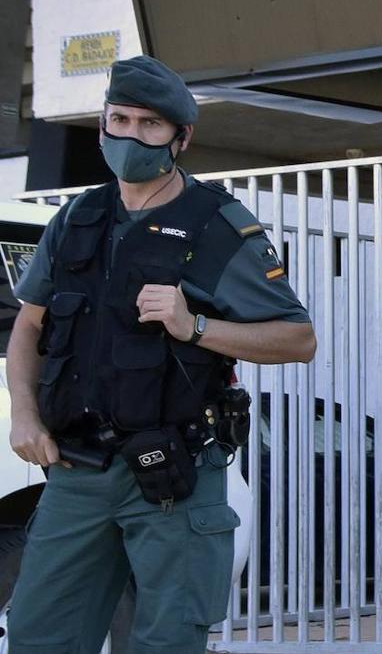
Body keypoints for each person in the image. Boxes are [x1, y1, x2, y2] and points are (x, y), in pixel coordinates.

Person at [5, 54, 316, 653]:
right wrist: (24, 413)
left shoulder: (217, 224)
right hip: (76, 472)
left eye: (150, 125)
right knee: (38, 636)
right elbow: (29, 326)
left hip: (172, 475)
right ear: (102, 125)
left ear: (182, 136)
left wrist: (194, 325)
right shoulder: (76, 218)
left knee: (165, 642)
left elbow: (297, 338)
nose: (130, 136)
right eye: (119, 120)